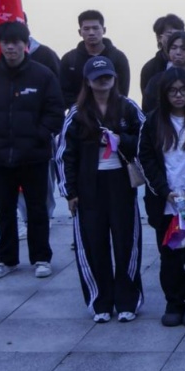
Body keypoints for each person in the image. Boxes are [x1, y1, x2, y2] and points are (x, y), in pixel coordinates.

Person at [0, 20, 64, 280]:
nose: (11, 48)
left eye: (16, 42)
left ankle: (41, 258)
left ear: (25, 44)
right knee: (4, 211)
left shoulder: (42, 75)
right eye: (6, 43)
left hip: (34, 157)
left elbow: (55, 112)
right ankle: (6, 259)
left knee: (37, 209)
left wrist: (39, 136)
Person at [56, 56, 146, 322]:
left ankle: (128, 301)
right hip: (89, 188)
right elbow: (64, 155)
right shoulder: (77, 113)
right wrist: (70, 192)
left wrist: (121, 139)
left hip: (121, 183)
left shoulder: (128, 107)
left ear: (114, 78)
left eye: (107, 76)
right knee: (93, 245)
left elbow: (146, 139)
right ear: (87, 81)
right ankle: (100, 302)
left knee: (126, 242)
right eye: (97, 78)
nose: (103, 81)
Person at [137, 68, 185, 327]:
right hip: (165, 203)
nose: (178, 95)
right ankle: (174, 302)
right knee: (170, 256)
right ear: (164, 94)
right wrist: (163, 191)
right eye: (172, 91)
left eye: (183, 90)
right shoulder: (152, 121)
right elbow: (145, 159)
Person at [58, 9, 131, 107]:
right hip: (80, 112)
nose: (91, 33)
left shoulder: (118, 58)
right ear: (80, 32)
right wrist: (82, 109)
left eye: (95, 28)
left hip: (113, 111)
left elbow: (122, 91)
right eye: (86, 29)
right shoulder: (69, 59)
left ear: (104, 30)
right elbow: (64, 92)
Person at [140, 30, 185, 113]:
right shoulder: (155, 82)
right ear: (168, 51)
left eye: (184, 49)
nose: (178, 52)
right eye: (174, 48)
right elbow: (148, 111)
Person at [139, 13, 185, 91]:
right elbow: (147, 97)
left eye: (178, 34)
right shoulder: (150, 68)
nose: (175, 39)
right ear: (159, 38)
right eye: (170, 35)